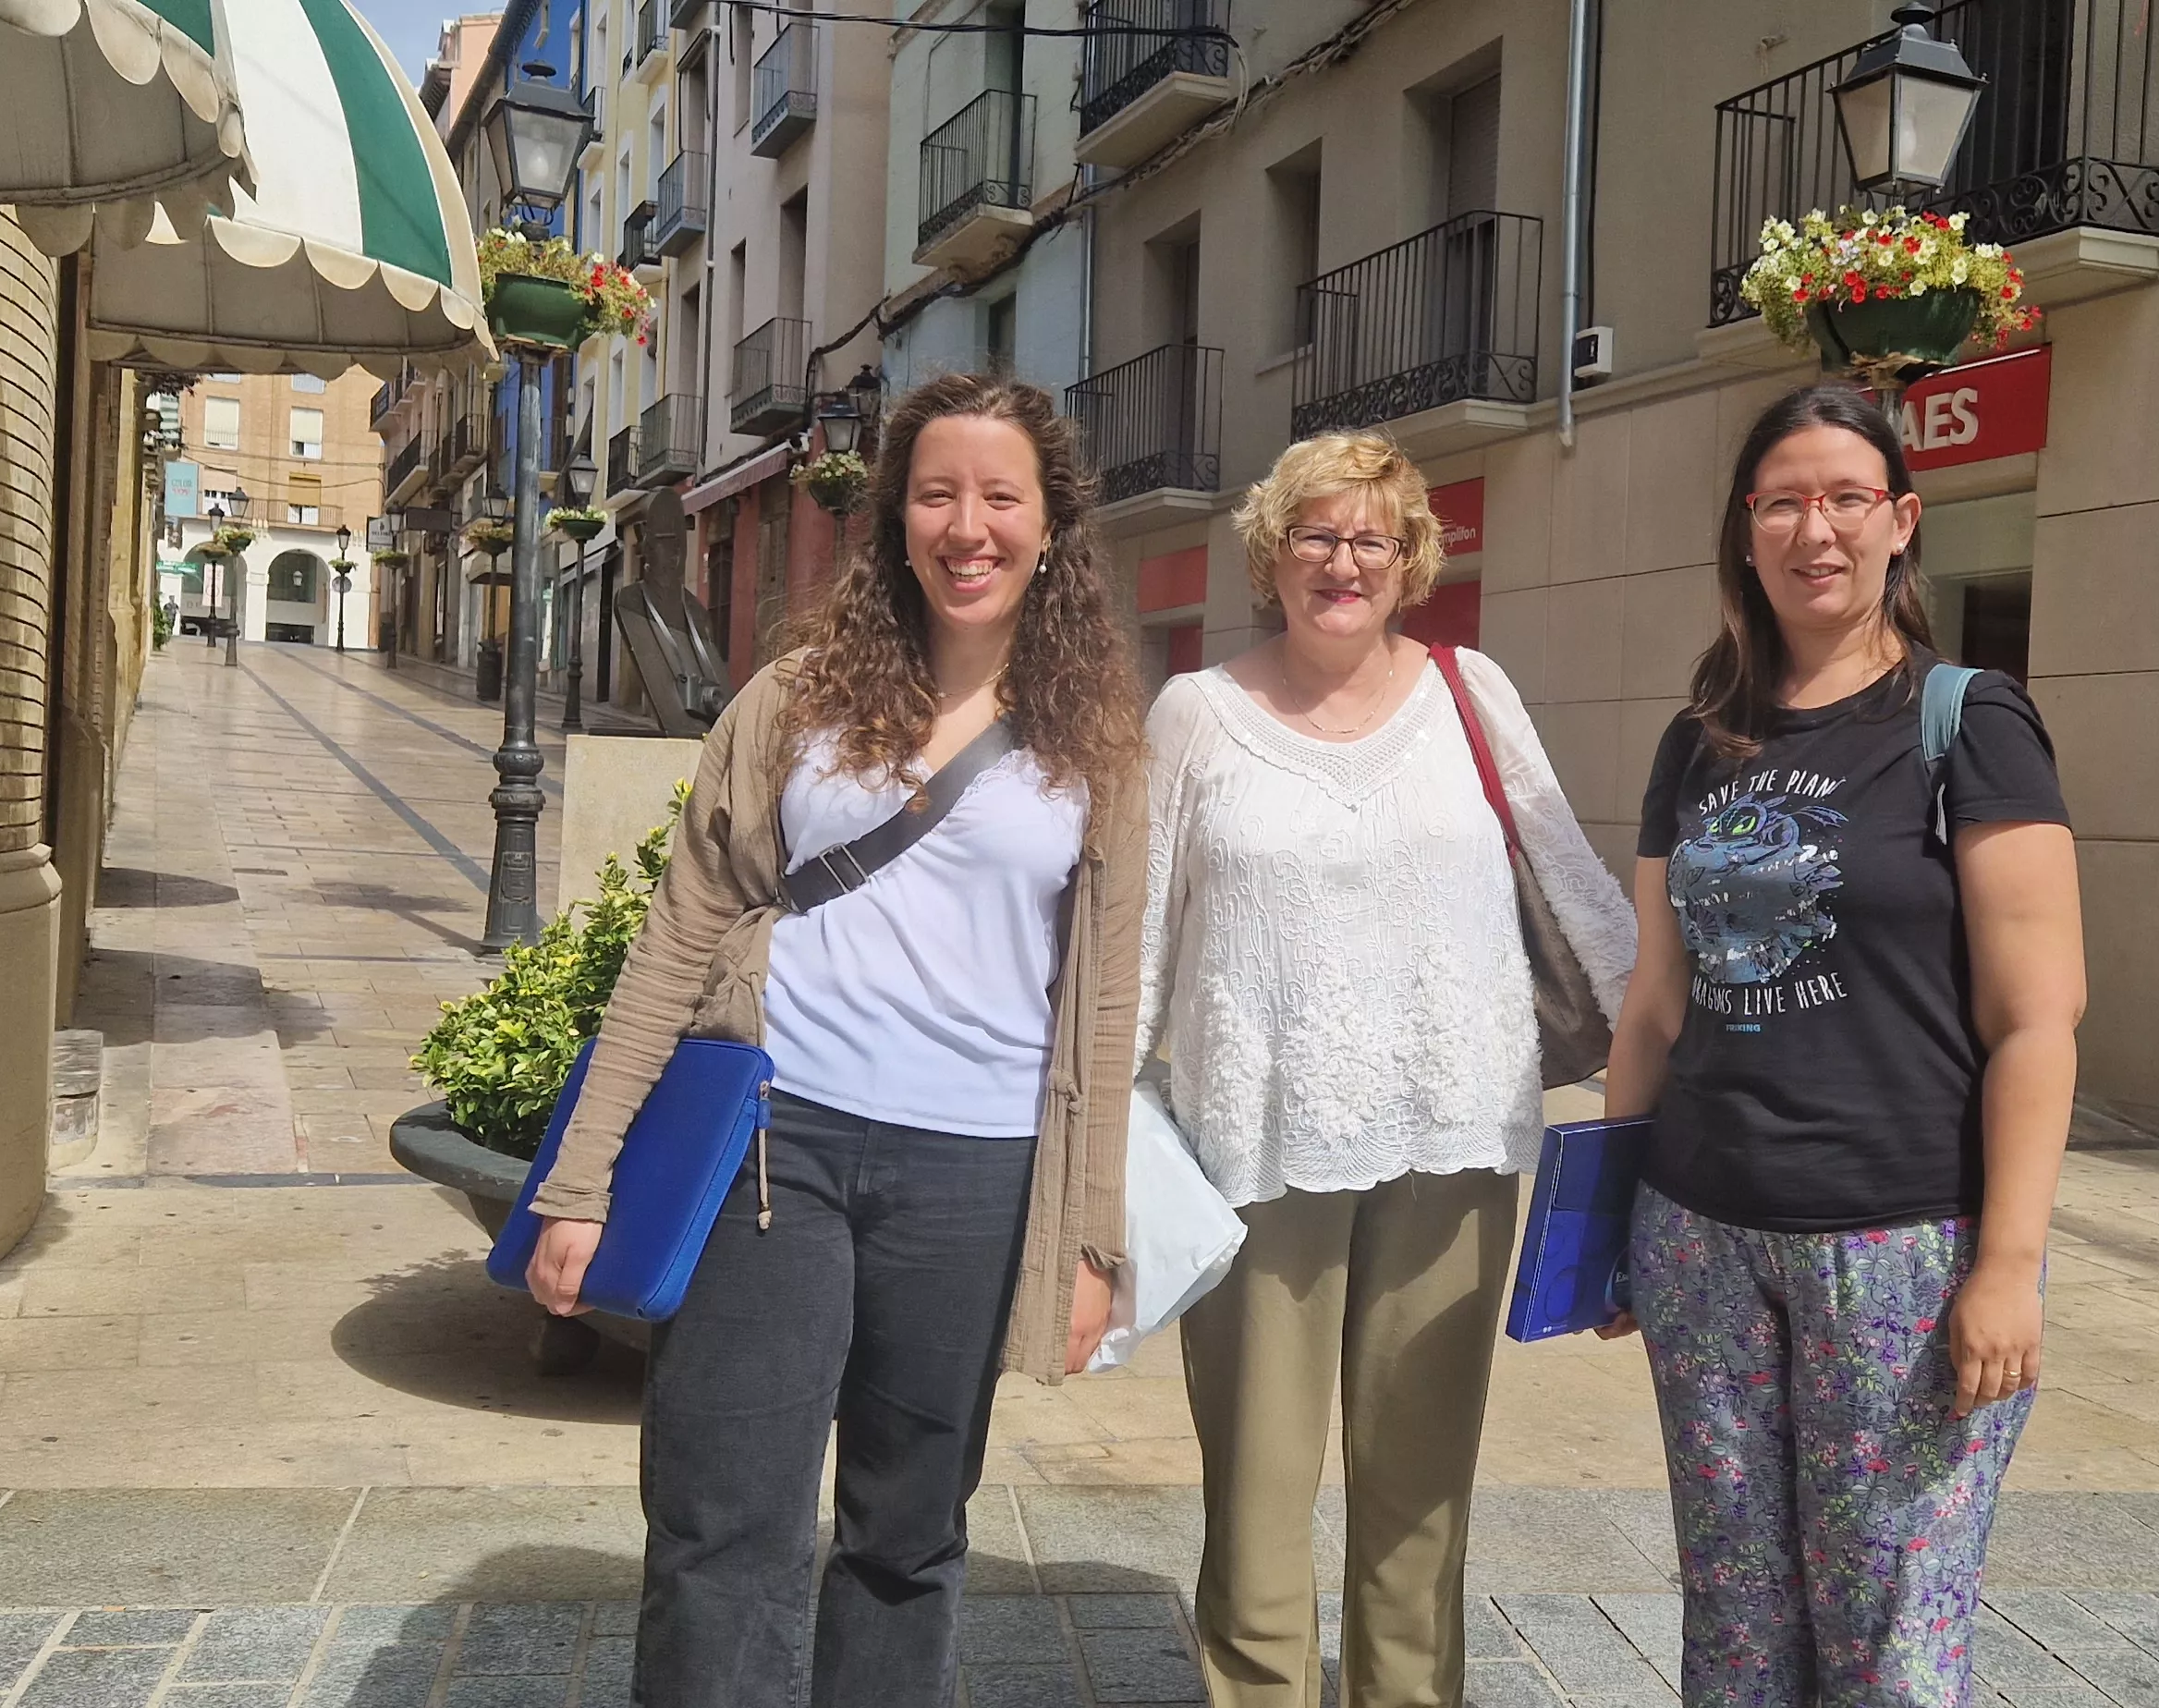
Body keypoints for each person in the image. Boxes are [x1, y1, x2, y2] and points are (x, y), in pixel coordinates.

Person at [517, 373, 1147, 1707]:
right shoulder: (793, 701)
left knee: (908, 1536)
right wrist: (581, 1179)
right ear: (895, 518)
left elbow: (1105, 1000)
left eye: (998, 496)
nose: (964, 526)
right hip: (769, 1151)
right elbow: (675, 944)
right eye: (936, 493)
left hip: (976, 1175)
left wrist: (1092, 1240)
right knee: (719, 1522)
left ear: (1049, 525)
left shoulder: (1097, 738)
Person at [1603, 382, 2085, 1706]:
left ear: (1901, 522)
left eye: (1845, 497)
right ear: (1746, 532)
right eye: (1783, 502)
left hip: (1902, 1249)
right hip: (1700, 1236)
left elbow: (2037, 1018)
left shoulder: (1967, 720)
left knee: (1891, 1643)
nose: (1815, 529)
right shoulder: (1697, 743)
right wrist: (1604, 1229)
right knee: (1739, 1630)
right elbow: (1654, 1002)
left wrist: (2011, 1266)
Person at [1142, 432, 1633, 1708]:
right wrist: (1093, 1131)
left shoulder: (1473, 691)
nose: (1342, 562)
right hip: (1253, 1150)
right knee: (1255, 1509)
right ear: (1270, 553)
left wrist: (1673, 1068)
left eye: (1372, 538)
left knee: (1419, 1509)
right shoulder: (1196, 717)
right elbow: (1134, 933)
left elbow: (1573, 884)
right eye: (1315, 533)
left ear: (1412, 559)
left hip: (1454, 1137)